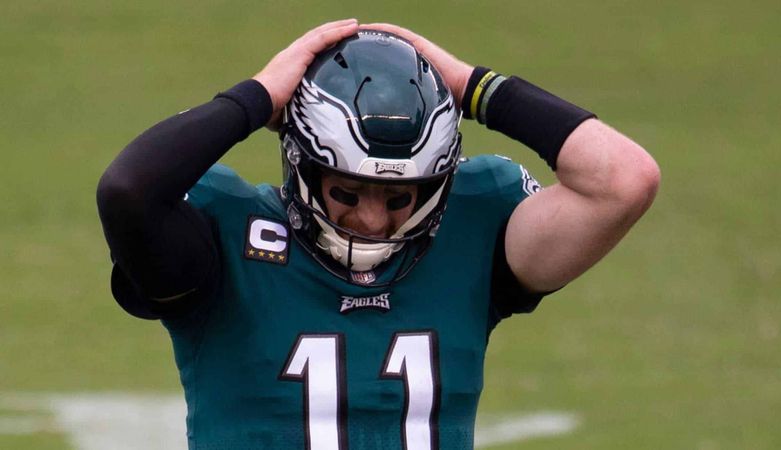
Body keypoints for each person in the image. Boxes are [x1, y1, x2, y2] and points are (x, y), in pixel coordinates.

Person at [97, 19, 659, 450]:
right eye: (347, 192)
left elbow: (624, 182)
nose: (371, 220)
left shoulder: (473, 225)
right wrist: (259, 96)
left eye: (398, 198)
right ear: (304, 164)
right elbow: (129, 191)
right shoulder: (228, 234)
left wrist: (472, 87)